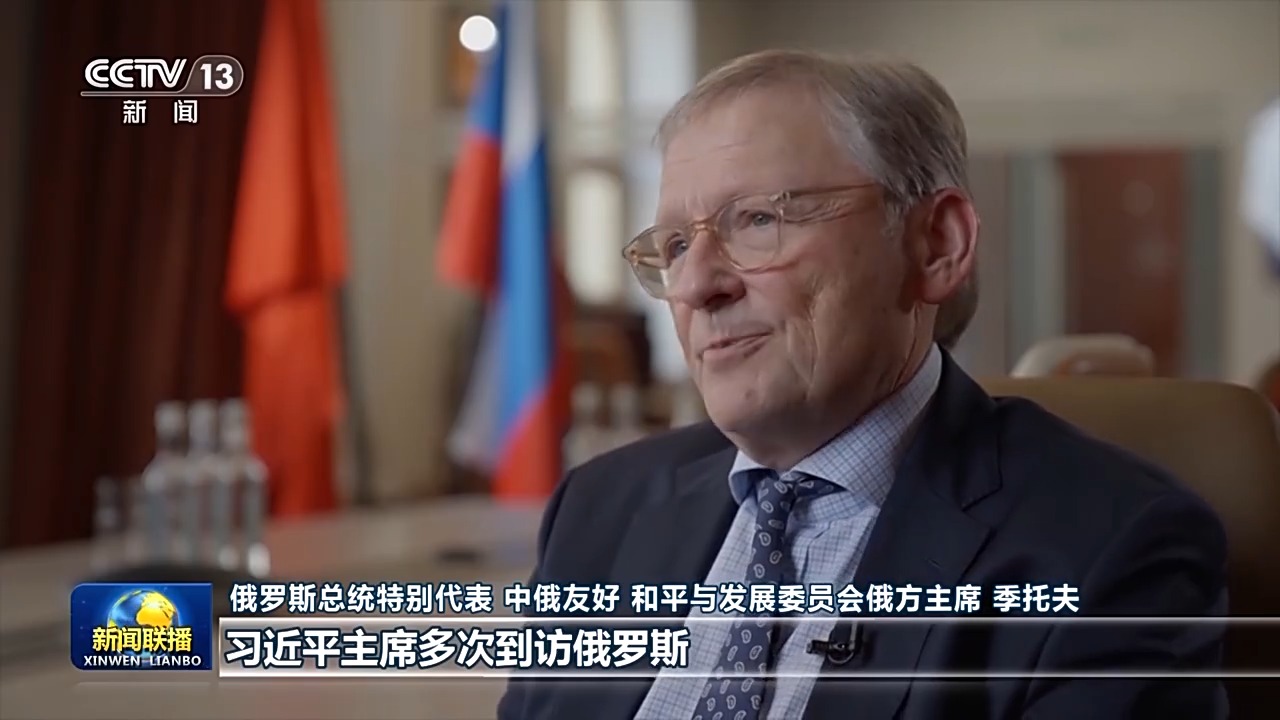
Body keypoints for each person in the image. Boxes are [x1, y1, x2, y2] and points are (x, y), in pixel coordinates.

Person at [498, 50, 1228, 720]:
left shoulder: (1109, 549)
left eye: (757, 220)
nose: (694, 285)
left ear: (936, 244)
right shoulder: (600, 510)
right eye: (677, 245)